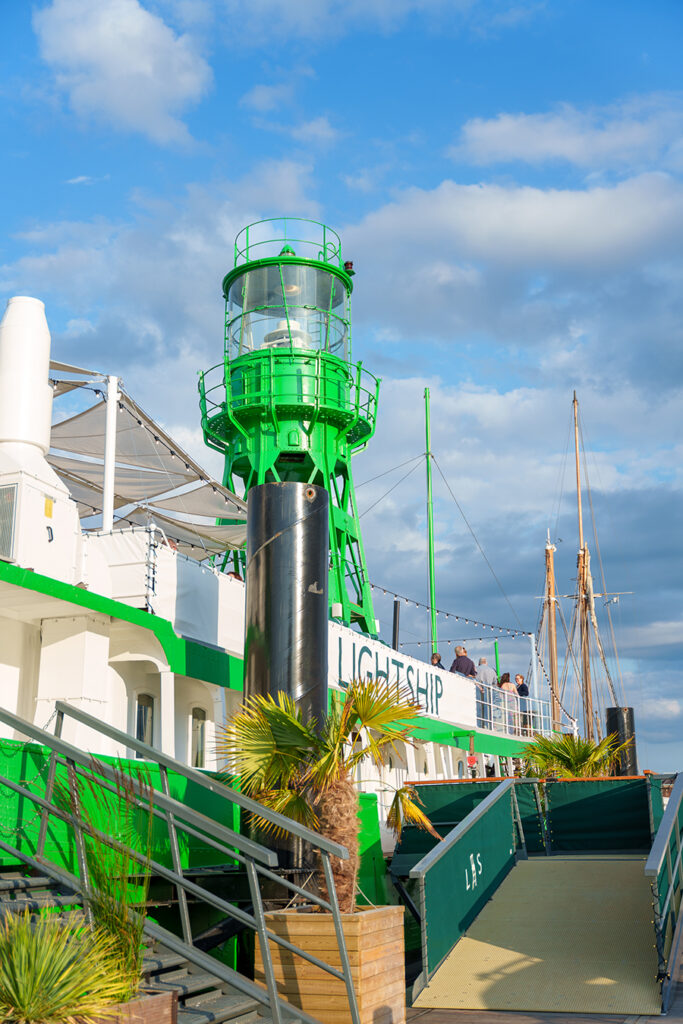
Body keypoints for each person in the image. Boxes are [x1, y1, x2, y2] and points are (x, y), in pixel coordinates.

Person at [475, 657, 497, 729]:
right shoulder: (492, 671)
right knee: (487, 709)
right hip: (488, 692)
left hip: (478, 692)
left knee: (478, 709)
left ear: (479, 663)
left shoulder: (475, 669)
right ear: (486, 663)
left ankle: (479, 725)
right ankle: (487, 725)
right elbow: (495, 684)